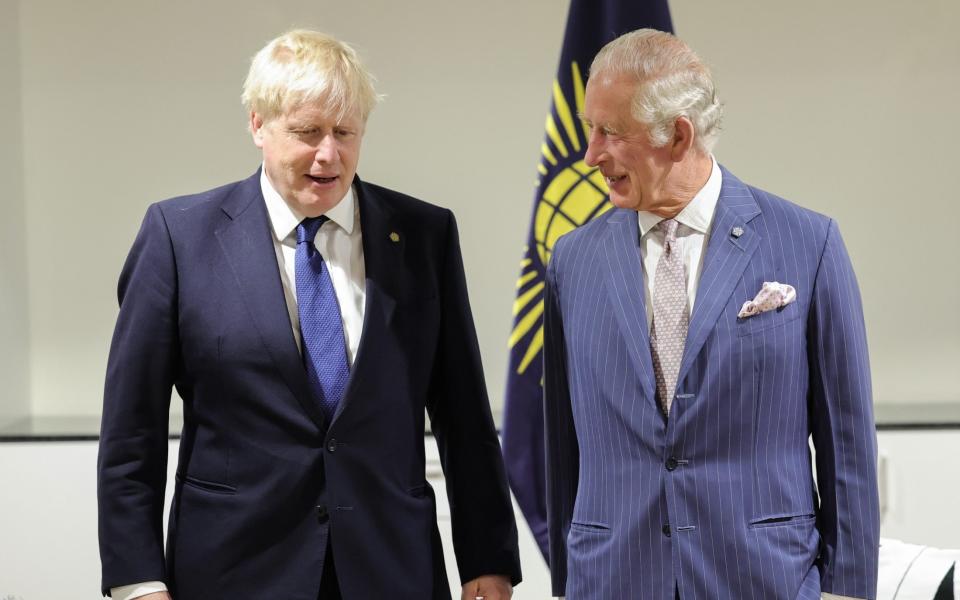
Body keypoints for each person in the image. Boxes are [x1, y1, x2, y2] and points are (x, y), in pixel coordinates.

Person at [98, 29, 520, 600]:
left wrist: (487, 559)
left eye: (345, 133)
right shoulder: (180, 238)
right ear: (257, 126)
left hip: (392, 570)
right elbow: (132, 433)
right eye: (307, 132)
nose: (329, 154)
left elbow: (465, 418)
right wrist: (137, 581)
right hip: (233, 572)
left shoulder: (423, 236)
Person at [543, 29, 879, 600]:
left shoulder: (808, 243)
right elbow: (561, 443)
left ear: (677, 136)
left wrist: (846, 590)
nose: (591, 155)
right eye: (588, 129)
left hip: (763, 578)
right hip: (613, 579)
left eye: (610, 133)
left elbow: (846, 440)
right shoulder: (573, 261)